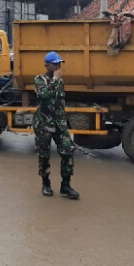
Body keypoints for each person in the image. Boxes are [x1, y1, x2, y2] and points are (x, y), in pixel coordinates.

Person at [34, 51, 78, 199]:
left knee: (68, 151)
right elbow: (43, 95)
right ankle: (46, 184)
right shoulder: (40, 79)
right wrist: (54, 80)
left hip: (59, 124)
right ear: (47, 65)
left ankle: (66, 186)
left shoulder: (60, 82)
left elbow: (60, 104)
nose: (58, 66)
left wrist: (65, 123)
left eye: (59, 63)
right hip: (44, 124)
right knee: (44, 155)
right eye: (55, 64)